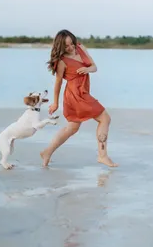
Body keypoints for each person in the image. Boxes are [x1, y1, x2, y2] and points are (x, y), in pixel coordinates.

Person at [40, 29, 118, 168]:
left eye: (71, 43)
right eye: (66, 46)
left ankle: (47, 152)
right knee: (105, 118)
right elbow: (58, 82)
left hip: (83, 91)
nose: (70, 48)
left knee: (72, 128)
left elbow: (94, 67)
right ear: (60, 47)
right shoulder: (62, 61)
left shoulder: (80, 47)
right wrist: (55, 103)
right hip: (74, 95)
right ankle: (102, 155)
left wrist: (87, 69)